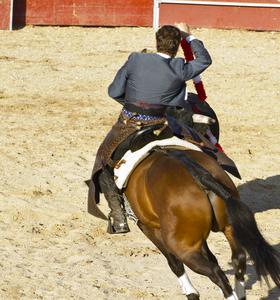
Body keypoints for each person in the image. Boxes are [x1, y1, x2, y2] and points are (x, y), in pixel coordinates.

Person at [87, 23, 212, 234]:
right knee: (201, 142)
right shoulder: (180, 66)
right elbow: (204, 60)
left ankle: (118, 218)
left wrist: (134, 104)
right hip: (161, 124)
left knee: (102, 162)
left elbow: (114, 91)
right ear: (178, 48)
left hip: (129, 124)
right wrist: (189, 37)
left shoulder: (136, 59)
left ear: (156, 43)